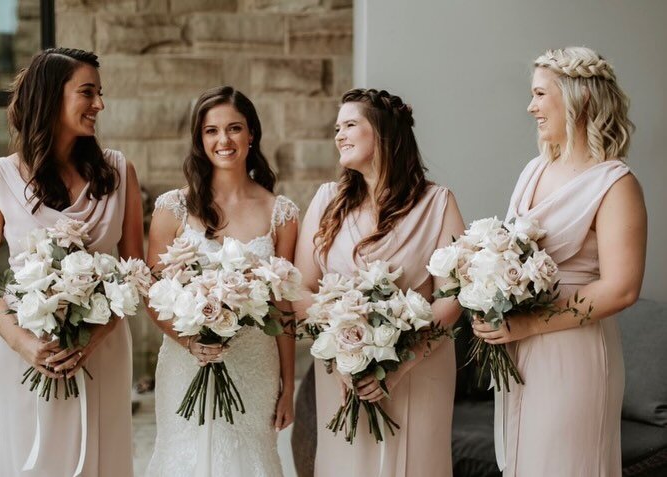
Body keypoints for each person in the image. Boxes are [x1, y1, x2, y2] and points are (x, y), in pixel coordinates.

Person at [0, 48, 144, 476]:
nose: (99, 104)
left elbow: (136, 271)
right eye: (88, 92)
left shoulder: (119, 173)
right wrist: (26, 345)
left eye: (100, 93)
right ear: (50, 97)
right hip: (29, 351)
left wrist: (93, 340)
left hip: (103, 349)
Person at [472, 46, 647, 476]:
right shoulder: (533, 169)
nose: (530, 107)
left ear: (578, 98)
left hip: (574, 348)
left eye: (539, 94)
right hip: (520, 346)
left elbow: (622, 288)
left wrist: (532, 323)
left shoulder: (616, 183)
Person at [294, 88, 464, 476]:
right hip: (343, 372)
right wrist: (343, 353)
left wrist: (400, 363)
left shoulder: (438, 203)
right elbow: (300, 289)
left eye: (350, 124)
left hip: (419, 368)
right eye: (337, 128)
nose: (339, 135)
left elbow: (451, 298)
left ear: (384, 133)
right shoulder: (326, 201)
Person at [146, 85, 298, 476]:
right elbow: (154, 293)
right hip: (185, 363)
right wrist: (189, 341)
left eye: (234, 128)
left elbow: (283, 308)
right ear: (200, 140)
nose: (223, 140)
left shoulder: (281, 213)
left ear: (252, 134)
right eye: (211, 131)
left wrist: (289, 383)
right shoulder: (172, 208)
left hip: (255, 365)